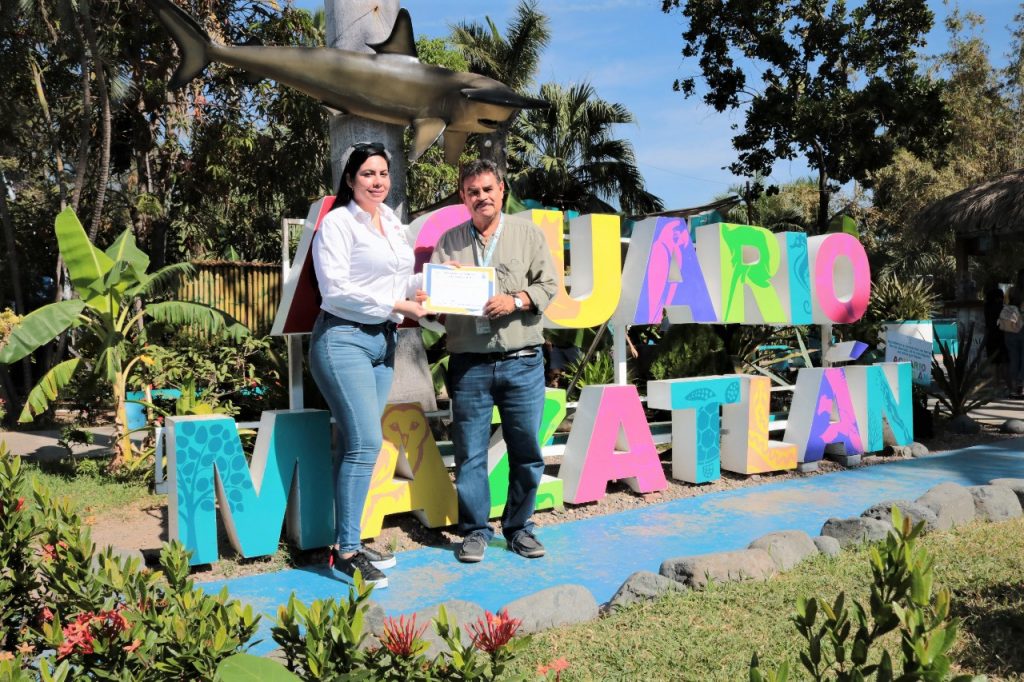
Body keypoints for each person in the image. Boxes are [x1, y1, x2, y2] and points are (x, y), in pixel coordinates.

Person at [309, 141, 426, 588]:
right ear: (350, 179)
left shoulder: (392, 222)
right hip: (343, 339)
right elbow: (335, 290)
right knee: (365, 442)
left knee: (353, 445)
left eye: (383, 173)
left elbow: (401, 280)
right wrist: (398, 302)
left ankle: (349, 539)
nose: (377, 182)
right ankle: (347, 552)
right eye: (367, 175)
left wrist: (434, 280)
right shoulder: (337, 224)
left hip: (384, 342)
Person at [431, 159, 557, 563]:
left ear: (501, 190)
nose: (481, 197)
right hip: (469, 364)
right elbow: (435, 307)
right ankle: (473, 531)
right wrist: (439, 292)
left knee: (526, 451)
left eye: (487, 189)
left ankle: (519, 528)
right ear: (463, 197)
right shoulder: (448, 243)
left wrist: (516, 300)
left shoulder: (528, 233)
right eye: (472, 191)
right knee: (469, 453)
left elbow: (549, 285)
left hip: (522, 360)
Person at [1003, 287, 1024, 398]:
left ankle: (1013, 387)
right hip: (1021, 334)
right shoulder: (1021, 308)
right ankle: (1020, 384)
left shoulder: (1006, 308)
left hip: (1009, 336)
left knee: (1013, 360)